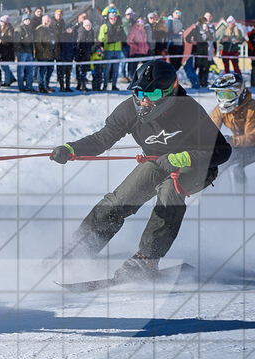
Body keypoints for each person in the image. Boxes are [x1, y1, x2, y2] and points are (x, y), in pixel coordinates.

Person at [49, 60, 230, 280]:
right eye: (138, 93)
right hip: (156, 162)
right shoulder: (129, 109)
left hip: (197, 165)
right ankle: (79, 248)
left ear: (169, 91)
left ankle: (147, 259)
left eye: (152, 95)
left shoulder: (190, 110)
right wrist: (70, 149)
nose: (144, 101)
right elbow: (102, 138)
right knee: (119, 200)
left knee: (170, 189)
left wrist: (184, 157)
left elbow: (222, 151)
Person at [209, 72, 255, 186]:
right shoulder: (221, 110)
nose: (224, 99)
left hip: (251, 146)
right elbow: (209, 129)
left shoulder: (251, 109)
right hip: (240, 146)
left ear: (239, 93)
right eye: (220, 95)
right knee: (218, 163)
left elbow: (252, 138)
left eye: (228, 95)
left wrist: (231, 141)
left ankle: (243, 196)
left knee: (236, 167)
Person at [185, 14, 215, 89]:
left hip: (204, 51)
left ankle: (203, 83)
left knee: (203, 67)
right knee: (195, 67)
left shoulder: (207, 29)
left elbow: (211, 38)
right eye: (204, 23)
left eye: (206, 23)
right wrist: (192, 41)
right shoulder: (195, 29)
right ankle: (195, 82)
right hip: (196, 50)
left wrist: (207, 31)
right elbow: (187, 38)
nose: (205, 24)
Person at [32, 14, 55, 93]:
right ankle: (41, 86)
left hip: (51, 54)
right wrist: (43, 51)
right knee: (42, 71)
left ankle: (46, 85)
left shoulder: (50, 29)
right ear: (42, 21)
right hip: (42, 54)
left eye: (48, 21)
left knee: (50, 70)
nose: (47, 22)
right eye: (45, 20)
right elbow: (37, 43)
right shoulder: (39, 29)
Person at [125, 14, 150, 81]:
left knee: (146, 66)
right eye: (139, 21)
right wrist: (136, 47)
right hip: (135, 52)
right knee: (133, 67)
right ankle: (132, 79)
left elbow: (145, 40)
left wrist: (146, 47)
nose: (141, 23)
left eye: (142, 22)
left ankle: (143, 79)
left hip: (143, 51)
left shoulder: (143, 30)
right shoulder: (134, 29)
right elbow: (129, 40)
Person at [75, 19, 97, 92]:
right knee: (82, 71)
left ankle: (81, 85)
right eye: (87, 25)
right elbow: (80, 45)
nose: (88, 27)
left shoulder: (91, 32)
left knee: (84, 71)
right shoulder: (82, 32)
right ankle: (82, 85)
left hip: (87, 54)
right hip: (82, 55)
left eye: (89, 25)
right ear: (84, 26)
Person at [14, 14, 35, 92]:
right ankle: (21, 86)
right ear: (23, 20)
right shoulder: (19, 28)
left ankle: (29, 86)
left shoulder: (30, 29)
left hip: (29, 52)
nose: (28, 21)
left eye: (29, 19)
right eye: (26, 19)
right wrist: (18, 51)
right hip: (22, 52)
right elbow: (16, 42)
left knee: (30, 70)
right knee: (21, 70)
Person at [0, 14, 16, 87]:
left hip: (7, 49)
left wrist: (2, 38)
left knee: (4, 66)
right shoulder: (0, 28)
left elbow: (10, 38)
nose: (0, 22)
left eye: (1, 21)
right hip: (1, 48)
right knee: (4, 65)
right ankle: (12, 78)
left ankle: (7, 81)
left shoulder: (10, 29)